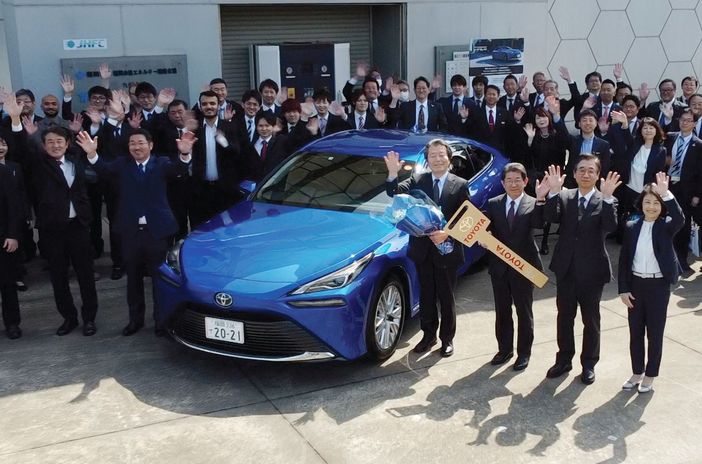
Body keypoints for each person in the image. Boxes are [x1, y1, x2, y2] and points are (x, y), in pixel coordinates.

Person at [76, 128, 192, 336]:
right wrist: (92, 154)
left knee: (160, 280)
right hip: (130, 232)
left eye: (140, 143)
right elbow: (103, 169)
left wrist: (184, 154)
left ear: (150, 145)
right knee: (133, 280)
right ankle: (135, 321)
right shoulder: (122, 165)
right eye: (132, 144)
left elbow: (179, 170)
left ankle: (161, 322)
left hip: (156, 232)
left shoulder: (162, 163)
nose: (136, 147)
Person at [5, 97, 98, 337]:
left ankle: (89, 318)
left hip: (78, 227)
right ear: (43, 145)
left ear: (67, 144)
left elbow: (96, 177)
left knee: (86, 276)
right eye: (50, 142)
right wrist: (16, 120)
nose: (56, 145)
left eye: (60, 141)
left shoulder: (76, 161)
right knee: (59, 278)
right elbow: (19, 148)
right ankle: (69, 318)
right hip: (51, 230)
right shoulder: (37, 164)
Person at [537, 156, 620, 385]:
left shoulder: (606, 200)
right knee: (565, 317)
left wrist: (607, 198)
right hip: (566, 268)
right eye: (581, 170)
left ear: (597, 175)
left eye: (591, 171)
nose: (585, 174)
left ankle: (589, 363)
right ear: (574, 174)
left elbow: (611, 226)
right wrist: (552, 192)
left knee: (590, 320)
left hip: (593, 271)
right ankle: (564, 359)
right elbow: (550, 218)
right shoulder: (564, 196)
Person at [384, 139, 469, 357]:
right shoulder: (417, 180)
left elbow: (467, 218)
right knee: (427, 295)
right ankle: (428, 336)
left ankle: (447, 339)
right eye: (433, 155)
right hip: (423, 251)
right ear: (427, 160)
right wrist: (393, 174)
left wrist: (447, 233)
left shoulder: (459, 184)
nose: (438, 159)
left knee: (446, 297)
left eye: (442, 155)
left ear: (448, 158)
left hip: (447, 250)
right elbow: (394, 193)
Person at [618, 172, 684, 393]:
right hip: (636, 286)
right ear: (641, 204)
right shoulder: (631, 226)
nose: (652, 207)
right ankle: (637, 372)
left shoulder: (666, 226)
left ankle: (651, 374)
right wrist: (623, 289)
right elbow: (625, 259)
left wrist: (667, 195)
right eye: (648, 202)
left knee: (655, 333)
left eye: (656, 203)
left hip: (658, 287)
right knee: (635, 332)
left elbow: (680, 219)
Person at [483, 163, 543, 371]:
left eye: (518, 179)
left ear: (525, 181)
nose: (513, 184)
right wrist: (483, 238)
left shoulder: (534, 203)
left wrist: (543, 198)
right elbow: (483, 227)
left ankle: (523, 353)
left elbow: (541, 223)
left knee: (524, 312)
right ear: (502, 183)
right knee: (502, 311)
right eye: (509, 180)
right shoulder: (493, 203)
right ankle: (504, 349)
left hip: (524, 267)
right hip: (499, 268)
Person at [189, 90, 243, 228]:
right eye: (205, 104)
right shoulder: (195, 129)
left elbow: (237, 153)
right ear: (200, 107)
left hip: (225, 189)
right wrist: (186, 131)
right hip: (202, 190)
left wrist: (223, 141)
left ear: (219, 105)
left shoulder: (229, 126)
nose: (209, 107)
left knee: (227, 229)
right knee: (202, 229)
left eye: (212, 103)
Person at [521, 102, 570, 254]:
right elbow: (527, 158)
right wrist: (529, 140)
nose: (541, 120)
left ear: (548, 118)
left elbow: (565, 148)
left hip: (553, 176)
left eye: (543, 117)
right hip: (537, 176)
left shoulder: (557, 135)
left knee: (550, 208)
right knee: (534, 206)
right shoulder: (534, 136)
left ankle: (545, 241)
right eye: (538, 118)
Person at [609, 112, 667, 241]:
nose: (648, 130)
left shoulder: (661, 150)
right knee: (627, 216)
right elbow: (625, 137)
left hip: (645, 190)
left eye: (651, 127)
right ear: (640, 130)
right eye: (645, 127)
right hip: (629, 187)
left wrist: (652, 190)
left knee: (643, 216)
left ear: (656, 130)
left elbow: (658, 173)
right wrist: (624, 123)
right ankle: (623, 237)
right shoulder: (635, 144)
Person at [663, 108, 702, 272]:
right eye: (682, 120)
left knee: (683, 225)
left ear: (694, 124)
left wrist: (697, 195)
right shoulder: (670, 137)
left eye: (688, 120)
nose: (684, 122)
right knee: (666, 222)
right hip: (668, 185)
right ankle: (666, 258)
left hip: (687, 190)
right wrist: (665, 161)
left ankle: (682, 259)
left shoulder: (699, 144)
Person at [0, 162, 22, 339]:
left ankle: (12, 323)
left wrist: (13, 234)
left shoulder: (5, 172)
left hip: (3, 239)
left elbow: (14, 206)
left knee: (8, 283)